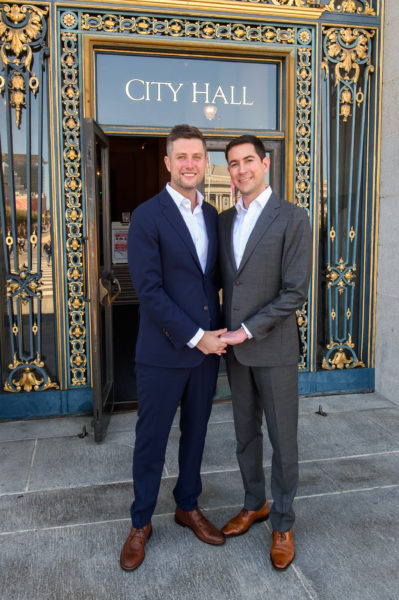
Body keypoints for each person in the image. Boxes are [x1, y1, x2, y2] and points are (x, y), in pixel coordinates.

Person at [120, 124, 227, 572]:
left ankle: (187, 505)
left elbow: (215, 282)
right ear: (167, 162)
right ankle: (141, 521)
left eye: (197, 156)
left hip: (205, 354)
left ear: (206, 162)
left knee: (197, 434)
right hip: (164, 353)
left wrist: (221, 334)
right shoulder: (148, 215)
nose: (189, 164)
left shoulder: (212, 216)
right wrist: (195, 335)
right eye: (181, 156)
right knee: (151, 441)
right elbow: (149, 290)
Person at [218, 134, 312, 570]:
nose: (241, 170)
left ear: (266, 163)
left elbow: (295, 293)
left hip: (272, 350)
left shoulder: (293, 218)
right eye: (234, 164)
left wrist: (246, 332)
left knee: (283, 441)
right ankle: (254, 503)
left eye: (248, 161)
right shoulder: (223, 221)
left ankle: (283, 522)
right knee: (244, 437)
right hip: (235, 355)